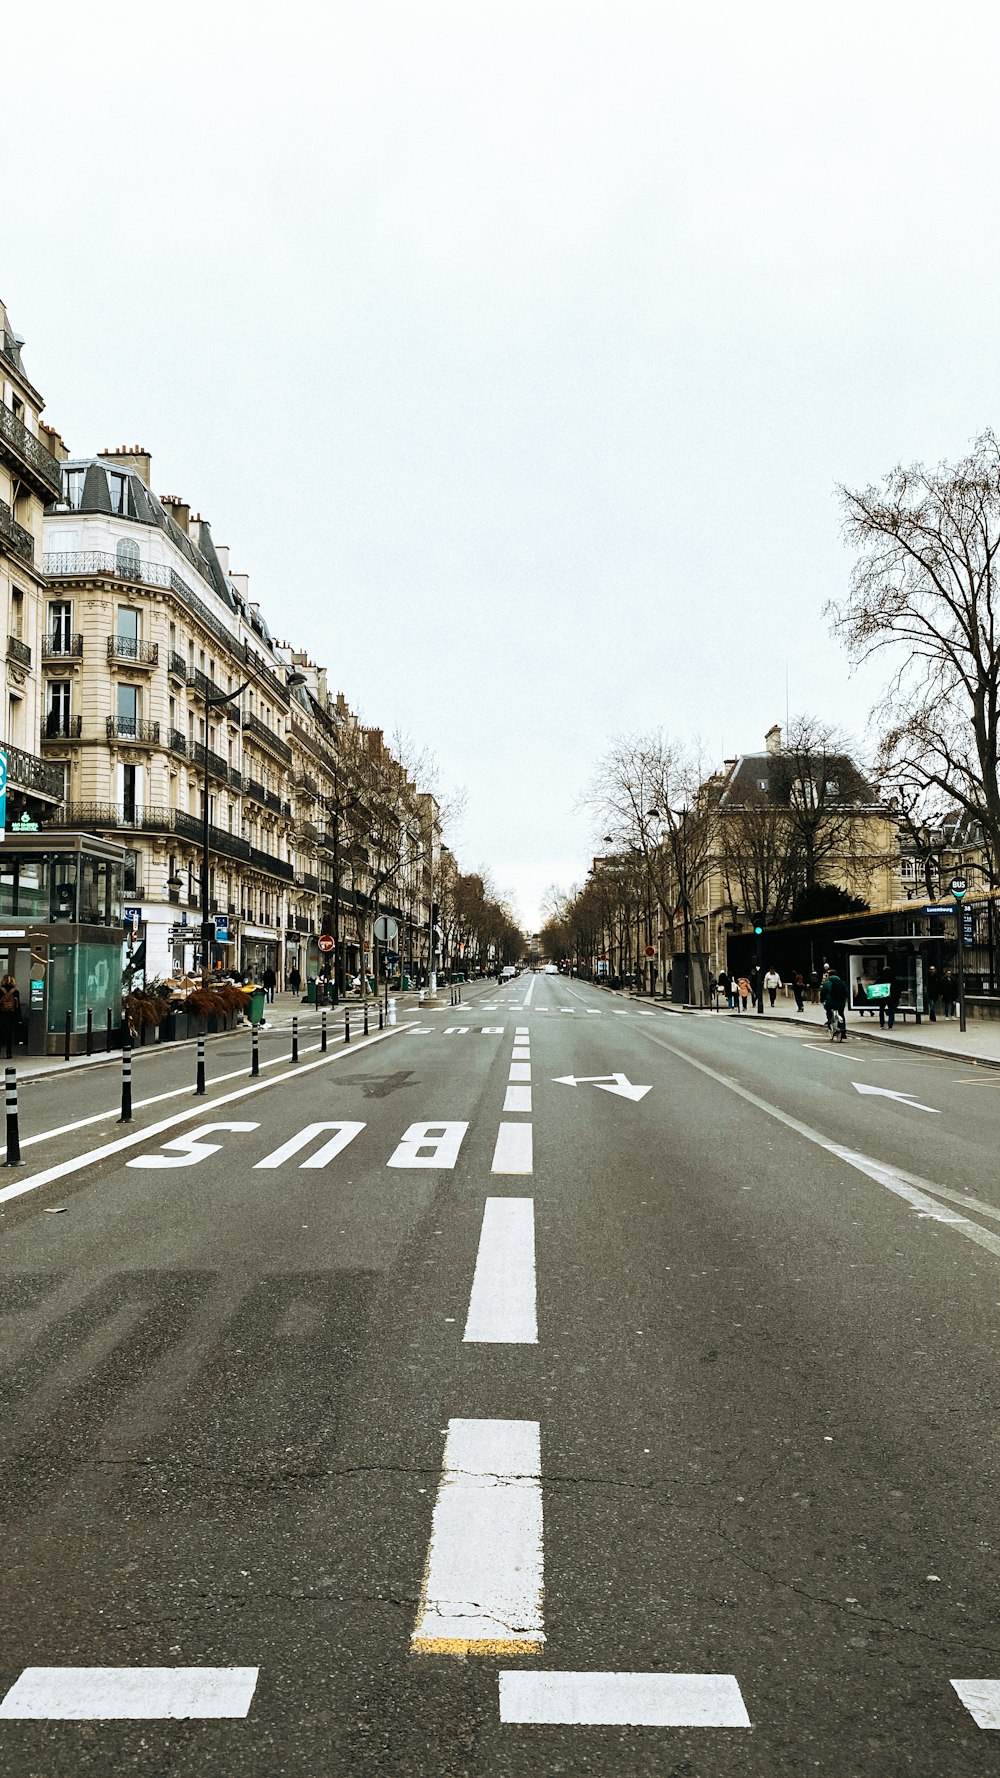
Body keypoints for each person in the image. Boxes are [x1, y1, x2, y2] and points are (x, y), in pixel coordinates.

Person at [820, 966, 848, 1034]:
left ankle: (830, 1022)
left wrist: (822, 1000)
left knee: (829, 1011)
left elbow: (823, 993)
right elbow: (846, 992)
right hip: (841, 1002)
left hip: (831, 1002)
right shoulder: (842, 983)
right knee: (841, 1014)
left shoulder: (827, 983)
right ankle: (843, 1030)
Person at [0, 973, 21, 1058]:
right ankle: (9, 1053)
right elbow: (17, 1006)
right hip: (11, 1016)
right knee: (9, 1035)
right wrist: (19, 1019)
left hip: (1, 1015)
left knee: (0, 1034)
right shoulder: (15, 992)